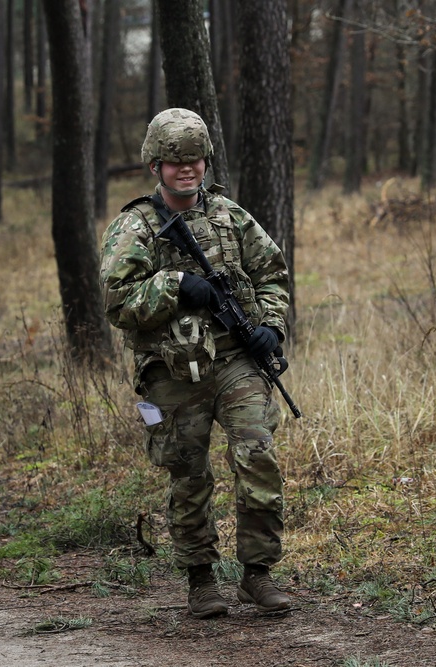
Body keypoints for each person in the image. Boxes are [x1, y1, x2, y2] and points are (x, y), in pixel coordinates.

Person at [99, 108, 292, 617]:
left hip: (234, 362)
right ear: (155, 165)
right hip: (170, 372)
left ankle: (258, 573)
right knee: (187, 474)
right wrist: (176, 286)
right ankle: (201, 580)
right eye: (174, 161)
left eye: (195, 159)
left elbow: (272, 272)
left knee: (258, 456)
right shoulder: (135, 225)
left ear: (207, 161)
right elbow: (117, 302)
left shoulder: (232, 216)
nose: (186, 169)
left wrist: (270, 326)